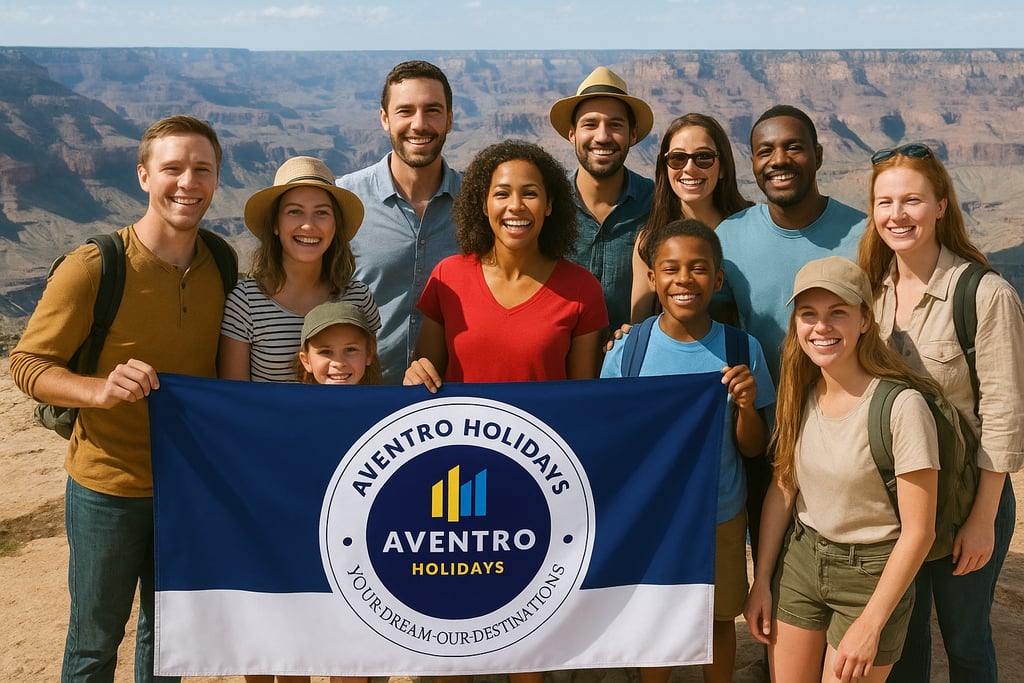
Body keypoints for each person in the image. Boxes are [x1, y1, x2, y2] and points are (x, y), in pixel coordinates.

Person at [9, 115, 233, 683]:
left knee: (169, 643)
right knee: (94, 641)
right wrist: (98, 391)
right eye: (172, 168)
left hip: (186, 489)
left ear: (216, 180)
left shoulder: (222, 263)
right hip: (107, 487)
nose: (188, 182)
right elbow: (28, 364)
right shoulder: (95, 266)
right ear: (142, 175)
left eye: (201, 170)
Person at [858, 143, 1024, 682]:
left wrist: (982, 521)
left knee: (966, 638)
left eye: (912, 200)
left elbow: (1003, 413)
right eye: (885, 202)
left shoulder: (984, 294)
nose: (897, 215)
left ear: (941, 206)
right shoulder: (872, 296)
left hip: (968, 499)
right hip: (900, 502)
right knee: (903, 638)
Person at [744, 256, 940, 682]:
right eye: (808, 315)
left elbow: (919, 531)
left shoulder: (901, 407)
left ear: (865, 321)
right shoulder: (798, 391)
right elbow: (782, 487)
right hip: (801, 562)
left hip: (871, 574)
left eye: (838, 314)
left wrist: (871, 624)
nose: (821, 327)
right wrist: (762, 580)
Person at [602, 218, 775, 683]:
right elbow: (612, 435)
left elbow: (754, 448)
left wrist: (746, 407)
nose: (684, 280)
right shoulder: (628, 350)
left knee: (718, 618)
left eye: (698, 269)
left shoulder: (742, 348)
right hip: (653, 514)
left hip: (719, 511)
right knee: (656, 617)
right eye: (671, 269)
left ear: (718, 280)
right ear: (653, 277)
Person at [715, 104, 867, 566]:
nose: (779, 160)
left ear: (819, 155)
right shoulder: (730, 238)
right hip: (769, 436)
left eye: (794, 147)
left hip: (850, 434)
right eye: (765, 151)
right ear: (754, 165)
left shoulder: (864, 234)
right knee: (773, 573)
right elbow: (709, 328)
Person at [404, 139, 608, 392]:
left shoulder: (582, 289)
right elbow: (425, 380)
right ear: (484, 205)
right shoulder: (448, 277)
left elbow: (583, 395)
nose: (515, 206)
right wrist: (416, 374)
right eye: (501, 194)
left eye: (530, 193)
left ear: (549, 205)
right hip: (461, 431)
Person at [338, 59, 463, 384]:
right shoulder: (343, 201)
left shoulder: (478, 203)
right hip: (361, 393)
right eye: (405, 111)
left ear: (449, 120)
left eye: (432, 110)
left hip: (449, 399)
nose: (419, 124)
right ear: (385, 119)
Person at [218, 155, 379, 385]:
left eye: (322, 212)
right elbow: (234, 399)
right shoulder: (245, 303)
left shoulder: (358, 299)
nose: (308, 225)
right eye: (295, 211)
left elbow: (369, 384)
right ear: (275, 224)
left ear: (336, 225)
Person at [549, 65, 655, 331]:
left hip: (628, 363)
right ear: (572, 134)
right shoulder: (547, 203)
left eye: (615, 125)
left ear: (632, 135)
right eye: (590, 124)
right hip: (556, 364)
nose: (603, 136)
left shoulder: (656, 204)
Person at [629, 113, 754, 323]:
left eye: (703, 157)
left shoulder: (752, 228)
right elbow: (638, 325)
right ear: (665, 168)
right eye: (677, 158)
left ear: (722, 167)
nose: (689, 168)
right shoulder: (649, 240)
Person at [297, 301, 381, 385]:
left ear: (369, 353)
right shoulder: (293, 398)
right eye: (325, 351)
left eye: (350, 349)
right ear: (306, 361)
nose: (339, 364)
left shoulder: (386, 398)